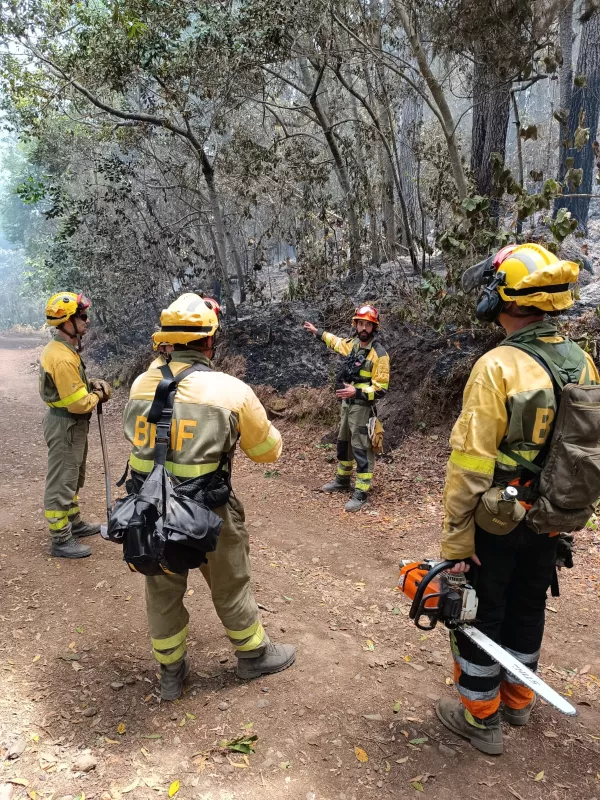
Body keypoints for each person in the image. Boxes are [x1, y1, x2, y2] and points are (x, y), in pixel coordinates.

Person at [436, 243, 599, 755]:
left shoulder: (498, 366)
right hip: (553, 517)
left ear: (504, 295)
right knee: (530, 605)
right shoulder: (584, 362)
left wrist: (457, 539)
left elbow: (470, 464)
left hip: (498, 521)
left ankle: (481, 718)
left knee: (480, 612)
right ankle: (519, 699)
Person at [123, 293, 295, 700]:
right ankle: (253, 656)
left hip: (150, 509)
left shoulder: (140, 384)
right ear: (209, 341)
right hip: (208, 510)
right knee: (230, 582)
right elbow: (267, 452)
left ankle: (170, 670)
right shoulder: (228, 390)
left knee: (162, 587)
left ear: (165, 340)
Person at [40, 292, 112, 558]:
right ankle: (60, 538)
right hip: (67, 424)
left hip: (72, 425)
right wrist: (99, 394)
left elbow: (71, 387)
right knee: (62, 480)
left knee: (73, 476)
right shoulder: (61, 356)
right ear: (66, 322)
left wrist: (90, 384)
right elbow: (78, 404)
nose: (87, 321)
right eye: (82, 316)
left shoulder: (65, 349)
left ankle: (74, 522)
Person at [303, 305, 389, 512]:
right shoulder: (353, 345)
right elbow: (336, 342)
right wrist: (318, 332)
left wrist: (356, 392)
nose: (363, 328)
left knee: (361, 448)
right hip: (347, 406)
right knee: (344, 443)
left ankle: (361, 492)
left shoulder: (379, 354)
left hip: (362, 407)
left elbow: (381, 388)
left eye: (367, 324)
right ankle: (342, 480)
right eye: (360, 323)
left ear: (374, 327)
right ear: (356, 325)